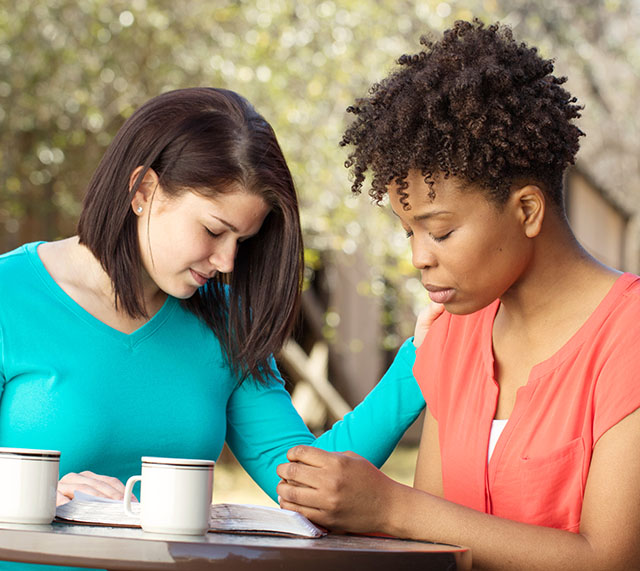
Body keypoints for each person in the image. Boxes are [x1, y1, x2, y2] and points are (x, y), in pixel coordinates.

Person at [0, 87, 439, 569]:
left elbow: (308, 483)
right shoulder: (10, 296)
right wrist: (37, 492)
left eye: (242, 241)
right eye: (212, 230)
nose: (227, 260)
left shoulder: (228, 319)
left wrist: (419, 360)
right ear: (143, 192)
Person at [276, 20, 640, 570]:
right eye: (409, 233)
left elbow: (611, 559)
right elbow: (437, 554)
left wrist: (393, 508)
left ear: (527, 210)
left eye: (440, 231)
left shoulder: (628, 336)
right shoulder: (453, 333)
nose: (420, 256)